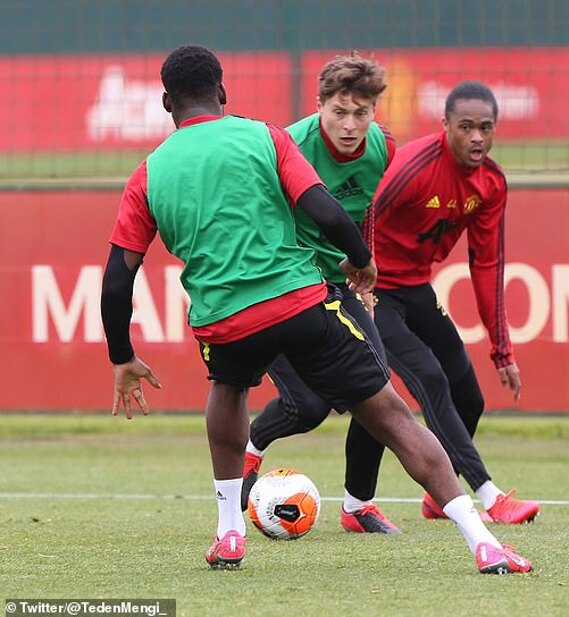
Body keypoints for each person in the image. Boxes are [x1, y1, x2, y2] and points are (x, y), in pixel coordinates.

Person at [100, 45, 532, 575]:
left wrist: (122, 357)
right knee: (391, 415)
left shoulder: (147, 174)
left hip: (224, 322)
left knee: (228, 390)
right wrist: (362, 260)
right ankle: (482, 542)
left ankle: (229, 533)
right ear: (222, 92)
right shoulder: (266, 137)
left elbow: (117, 280)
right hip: (301, 304)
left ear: (167, 102)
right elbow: (324, 209)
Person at [242, 53, 401, 535]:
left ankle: (358, 506)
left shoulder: (383, 149)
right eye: (339, 112)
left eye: (361, 113)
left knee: (377, 391)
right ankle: (249, 452)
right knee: (308, 408)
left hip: (338, 283)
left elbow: (364, 213)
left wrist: (364, 276)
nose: (350, 125)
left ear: (374, 111)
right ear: (319, 105)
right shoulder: (288, 146)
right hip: (282, 284)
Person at [370, 80, 541, 525]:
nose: (477, 137)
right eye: (466, 127)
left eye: (486, 127)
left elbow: (487, 265)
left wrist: (502, 350)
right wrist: (352, 283)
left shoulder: (491, 183)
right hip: (372, 290)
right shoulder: (412, 168)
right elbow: (360, 217)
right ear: (445, 125)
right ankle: (489, 495)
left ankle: (432, 499)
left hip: (416, 288)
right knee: (429, 378)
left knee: (469, 396)